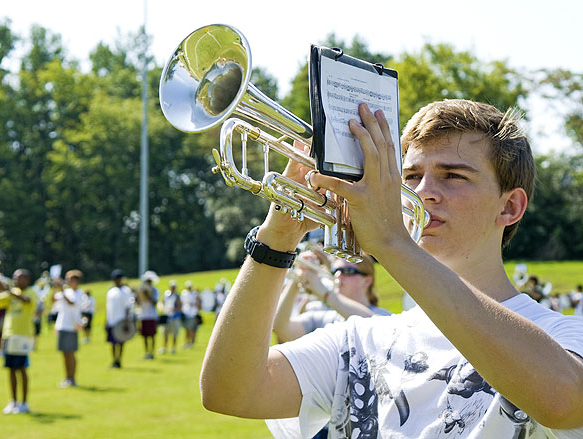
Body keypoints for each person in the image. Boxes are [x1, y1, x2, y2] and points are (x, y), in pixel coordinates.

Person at [199, 100, 583, 437]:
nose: (423, 191)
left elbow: (561, 401)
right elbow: (230, 391)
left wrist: (390, 242)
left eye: (453, 176)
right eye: (411, 176)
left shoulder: (564, 336)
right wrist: (278, 236)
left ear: (510, 207)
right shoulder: (359, 339)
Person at [273, 252, 390, 343]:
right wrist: (298, 277)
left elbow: (374, 328)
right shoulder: (324, 317)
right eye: (335, 271)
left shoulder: (383, 316)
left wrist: (325, 293)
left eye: (347, 271)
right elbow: (281, 328)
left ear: (367, 280)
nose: (338, 276)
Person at [0, 269, 36, 414]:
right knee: (10, 369)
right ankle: (13, 402)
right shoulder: (12, 292)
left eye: (20, 277)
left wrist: (9, 289)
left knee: (22, 369)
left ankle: (24, 403)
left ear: (27, 280)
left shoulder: (31, 292)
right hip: (9, 335)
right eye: (15, 278)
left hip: (23, 335)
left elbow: (26, 300)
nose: (17, 280)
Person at [54, 269, 84, 388]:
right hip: (62, 325)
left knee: (71, 353)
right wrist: (55, 287)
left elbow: (71, 303)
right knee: (64, 354)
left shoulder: (79, 293)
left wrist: (61, 290)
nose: (69, 282)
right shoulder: (65, 292)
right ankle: (67, 377)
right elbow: (52, 300)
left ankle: (72, 378)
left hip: (71, 326)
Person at [106, 269, 135, 368]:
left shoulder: (126, 291)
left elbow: (128, 307)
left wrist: (127, 321)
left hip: (121, 320)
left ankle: (119, 360)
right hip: (112, 320)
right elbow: (108, 307)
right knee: (112, 342)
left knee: (121, 341)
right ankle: (114, 360)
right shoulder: (111, 291)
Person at [137, 270, 159, 359]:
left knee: (152, 335)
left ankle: (152, 352)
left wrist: (148, 295)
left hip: (152, 315)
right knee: (145, 336)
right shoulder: (141, 290)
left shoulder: (155, 290)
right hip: (143, 315)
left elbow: (155, 302)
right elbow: (138, 303)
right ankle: (146, 352)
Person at [158, 280, 182, 354]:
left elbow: (179, 306)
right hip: (166, 316)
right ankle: (164, 347)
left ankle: (173, 348)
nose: (173, 288)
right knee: (165, 334)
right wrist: (162, 308)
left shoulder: (177, 296)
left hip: (174, 317)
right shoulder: (166, 294)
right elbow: (161, 303)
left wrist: (174, 310)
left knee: (174, 333)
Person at [181, 281, 202, 348]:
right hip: (186, 313)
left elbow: (198, 303)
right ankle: (187, 342)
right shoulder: (184, 293)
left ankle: (191, 342)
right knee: (187, 329)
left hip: (193, 314)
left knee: (192, 329)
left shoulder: (194, 294)